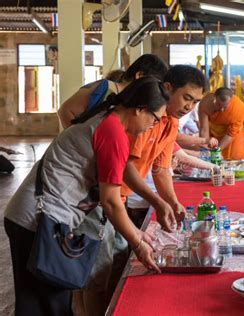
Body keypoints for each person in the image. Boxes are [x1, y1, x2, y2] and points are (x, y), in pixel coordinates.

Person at [4, 76, 167, 316]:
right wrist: (138, 243)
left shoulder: (107, 119)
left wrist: (139, 234)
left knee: (44, 302)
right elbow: (111, 203)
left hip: (35, 215)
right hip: (35, 219)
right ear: (139, 109)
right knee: (46, 304)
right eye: (154, 119)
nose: (153, 126)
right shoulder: (113, 132)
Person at [121, 65, 209, 225]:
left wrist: (173, 202)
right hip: (104, 192)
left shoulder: (172, 122)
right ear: (168, 88)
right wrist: (157, 201)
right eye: (187, 98)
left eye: (195, 102)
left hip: (123, 194)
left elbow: (161, 168)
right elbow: (126, 167)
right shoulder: (144, 115)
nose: (189, 107)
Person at [58, 54, 168, 128]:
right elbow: (65, 110)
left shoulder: (132, 102)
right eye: (153, 83)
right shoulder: (103, 88)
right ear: (139, 75)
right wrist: (80, 144)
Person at [199, 87, 244, 160]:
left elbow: (231, 134)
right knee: (207, 155)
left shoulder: (238, 107)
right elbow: (204, 128)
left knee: (234, 157)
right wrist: (205, 148)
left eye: (225, 107)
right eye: (218, 105)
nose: (221, 110)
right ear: (214, 99)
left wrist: (217, 151)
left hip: (231, 137)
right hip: (214, 133)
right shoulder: (205, 103)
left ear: (231, 101)